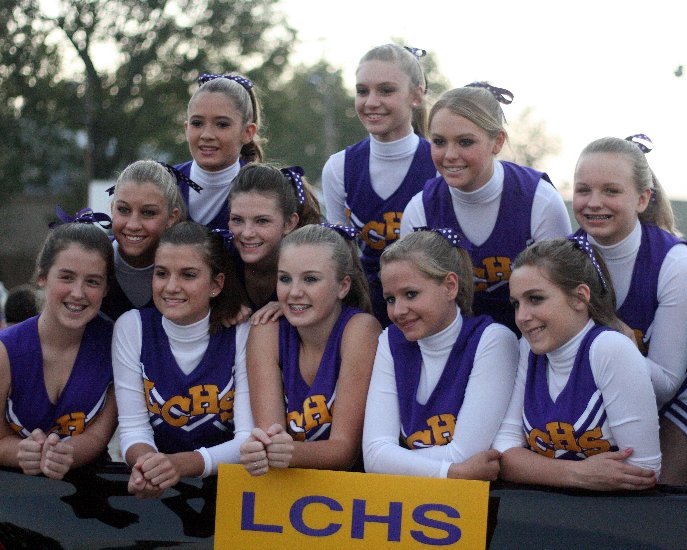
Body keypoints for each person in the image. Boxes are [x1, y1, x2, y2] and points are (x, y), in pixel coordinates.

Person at [400, 83, 571, 333]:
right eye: (439, 142)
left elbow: (560, 300)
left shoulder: (539, 199)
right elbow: (413, 300)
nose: (450, 154)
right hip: (453, 342)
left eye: (465, 142)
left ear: (497, 141)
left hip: (532, 339)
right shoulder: (420, 209)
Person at [494, 237, 661, 491]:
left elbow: (643, 471)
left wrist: (532, 468)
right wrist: (576, 473)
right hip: (546, 510)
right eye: (516, 303)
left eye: (535, 299)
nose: (522, 317)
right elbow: (502, 453)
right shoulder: (528, 349)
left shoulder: (610, 349)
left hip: (611, 513)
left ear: (580, 297)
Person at [572, 134, 687, 485]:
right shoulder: (561, 259)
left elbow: (666, 384)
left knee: (650, 488)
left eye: (611, 191)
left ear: (642, 198)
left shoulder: (675, 263)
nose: (594, 203)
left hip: (671, 399)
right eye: (583, 190)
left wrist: (608, 330)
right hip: (596, 392)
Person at [362, 229, 517, 479]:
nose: (398, 310)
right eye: (390, 299)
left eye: (411, 294)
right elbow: (373, 456)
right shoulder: (390, 341)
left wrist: (396, 461)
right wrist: (453, 472)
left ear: (450, 286)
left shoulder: (493, 340)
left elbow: (465, 453)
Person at [112, 221, 251, 498]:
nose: (171, 287)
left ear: (216, 284)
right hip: (162, 491)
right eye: (161, 273)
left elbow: (248, 440)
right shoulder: (132, 327)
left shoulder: (243, 332)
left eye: (188, 275)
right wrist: (147, 465)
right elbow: (133, 429)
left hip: (229, 494)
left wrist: (179, 465)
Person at [239, 224, 381, 475]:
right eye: (285, 279)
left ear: (343, 286)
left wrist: (287, 452)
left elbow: (345, 451)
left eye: (311, 279)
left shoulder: (360, 330)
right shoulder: (267, 330)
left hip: (353, 491)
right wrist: (261, 451)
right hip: (288, 487)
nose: (294, 292)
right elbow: (270, 436)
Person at [322, 44, 437, 326]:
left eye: (386, 91)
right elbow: (341, 256)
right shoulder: (339, 167)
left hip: (430, 314)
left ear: (416, 95)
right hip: (364, 312)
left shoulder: (440, 165)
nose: (371, 102)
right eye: (363, 91)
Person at [0, 218, 117, 479]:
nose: (78, 292)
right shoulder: (5, 351)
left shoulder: (119, 346)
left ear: (106, 288)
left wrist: (68, 453)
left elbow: (99, 435)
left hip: (88, 492)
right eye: (66, 277)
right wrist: (18, 452)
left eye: (93, 282)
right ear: (42, 276)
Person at [227, 163, 322, 323]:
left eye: (262, 221)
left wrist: (293, 304)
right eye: (237, 220)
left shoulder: (315, 263)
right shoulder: (221, 259)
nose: (247, 233)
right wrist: (220, 305)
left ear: (289, 223)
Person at [175, 73, 263, 231]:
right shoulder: (165, 183)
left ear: (248, 132)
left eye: (222, 124)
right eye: (197, 123)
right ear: (186, 129)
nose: (207, 135)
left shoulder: (266, 189)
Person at [102, 160, 183, 322]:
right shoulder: (92, 260)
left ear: (171, 217)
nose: (133, 225)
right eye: (123, 210)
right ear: (112, 209)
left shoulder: (190, 266)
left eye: (148, 213)